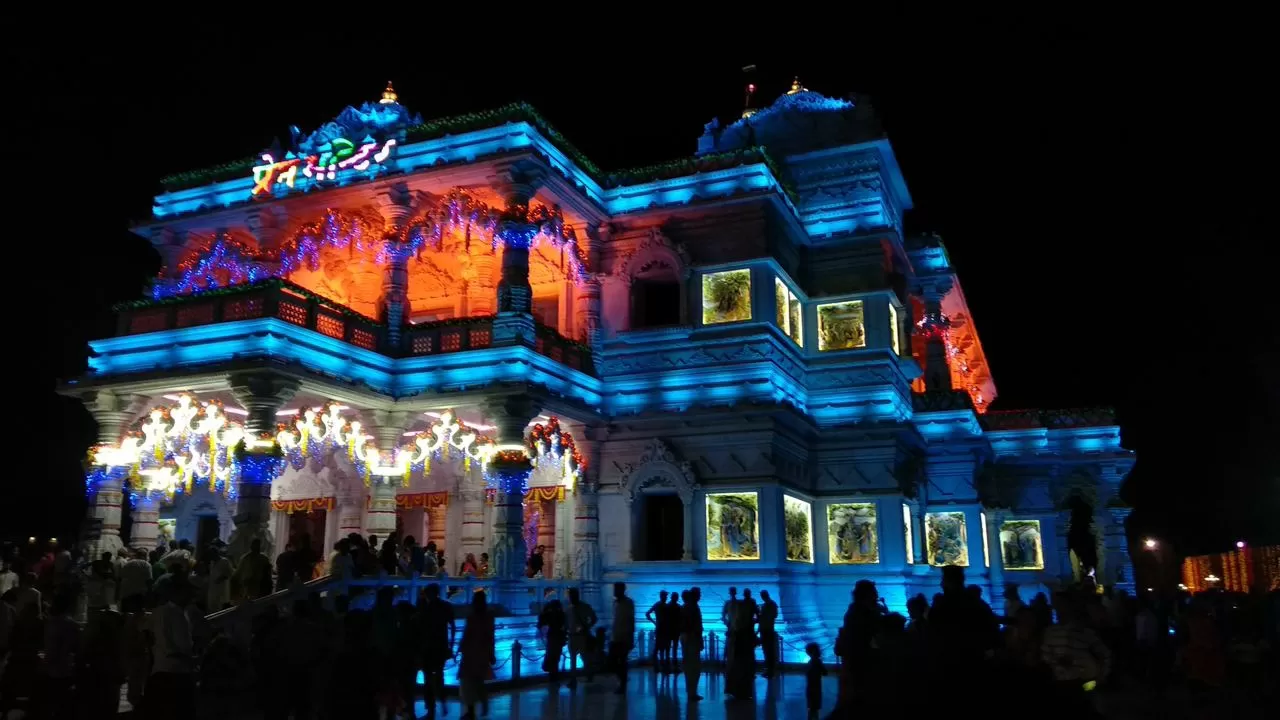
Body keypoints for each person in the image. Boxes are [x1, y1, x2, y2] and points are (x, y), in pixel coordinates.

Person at [148, 579, 196, 718]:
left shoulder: (162, 612)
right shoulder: (174, 614)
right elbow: (179, 646)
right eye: (188, 592)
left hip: (164, 669)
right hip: (176, 672)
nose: (191, 596)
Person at [41, 593, 80, 717]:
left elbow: (53, 650)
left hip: (54, 671)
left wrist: (44, 665)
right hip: (67, 669)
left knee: (52, 705)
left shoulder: (54, 624)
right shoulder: (73, 624)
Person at [421, 583, 455, 719]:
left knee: (428, 678)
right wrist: (451, 646)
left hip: (429, 647)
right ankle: (442, 700)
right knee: (439, 676)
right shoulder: (446, 606)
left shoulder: (426, 608)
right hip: (441, 646)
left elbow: (422, 629)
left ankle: (431, 708)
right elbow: (452, 627)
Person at [459, 591, 495, 720]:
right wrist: (491, 653)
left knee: (470, 682)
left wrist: (461, 648)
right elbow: (490, 637)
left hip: (472, 653)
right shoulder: (488, 617)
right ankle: (481, 704)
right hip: (480, 653)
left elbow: (466, 634)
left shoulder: (473, 617)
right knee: (477, 681)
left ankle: (472, 710)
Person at [566, 587, 598, 688]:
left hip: (582, 636)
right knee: (573, 659)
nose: (571, 598)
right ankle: (573, 679)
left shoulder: (584, 607)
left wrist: (587, 627)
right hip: (572, 636)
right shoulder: (568, 609)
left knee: (584, 657)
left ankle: (588, 673)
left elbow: (594, 618)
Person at [610, 582, 636, 694]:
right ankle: (622, 681)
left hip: (624, 637)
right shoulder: (615, 603)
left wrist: (631, 637)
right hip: (616, 636)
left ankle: (623, 684)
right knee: (614, 661)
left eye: (616, 589)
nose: (615, 592)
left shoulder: (628, 603)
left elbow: (631, 620)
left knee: (622, 661)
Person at [681, 588, 704, 701]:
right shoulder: (693, 607)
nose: (700, 596)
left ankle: (691, 691)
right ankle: (692, 692)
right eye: (699, 594)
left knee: (690, 666)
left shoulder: (686, 607)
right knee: (693, 666)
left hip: (687, 637)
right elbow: (695, 626)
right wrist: (699, 639)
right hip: (692, 638)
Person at [538, 597, 568, 685]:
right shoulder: (561, 614)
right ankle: (554, 676)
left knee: (551, 656)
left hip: (552, 636)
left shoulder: (549, 614)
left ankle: (553, 676)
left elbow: (541, 620)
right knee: (556, 657)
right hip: (559, 636)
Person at [647, 590, 671, 671]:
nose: (666, 597)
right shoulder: (666, 606)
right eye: (665, 596)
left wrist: (654, 622)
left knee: (658, 647)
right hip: (665, 629)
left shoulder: (657, 605)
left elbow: (647, 613)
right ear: (663, 596)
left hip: (659, 628)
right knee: (664, 647)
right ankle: (662, 665)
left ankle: (657, 666)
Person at [759, 589, 779, 678]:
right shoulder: (772, 604)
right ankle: (770, 670)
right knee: (768, 651)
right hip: (767, 629)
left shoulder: (768, 605)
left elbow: (770, 616)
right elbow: (774, 615)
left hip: (767, 629)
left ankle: (770, 670)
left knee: (768, 651)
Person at [207, 544, 234, 611]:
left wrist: (221, 579)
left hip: (221, 590)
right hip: (212, 590)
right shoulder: (212, 562)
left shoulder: (224, 561)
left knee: (219, 609)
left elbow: (230, 573)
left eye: (212, 554)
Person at [805, 641, 826, 719]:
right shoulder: (818, 661)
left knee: (811, 708)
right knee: (814, 709)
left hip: (811, 688)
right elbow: (825, 672)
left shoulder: (811, 662)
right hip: (816, 688)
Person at [665, 589, 683, 673]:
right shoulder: (679, 607)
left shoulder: (667, 606)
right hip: (675, 630)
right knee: (674, 649)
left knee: (668, 649)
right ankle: (674, 666)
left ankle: (667, 666)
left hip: (668, 630)